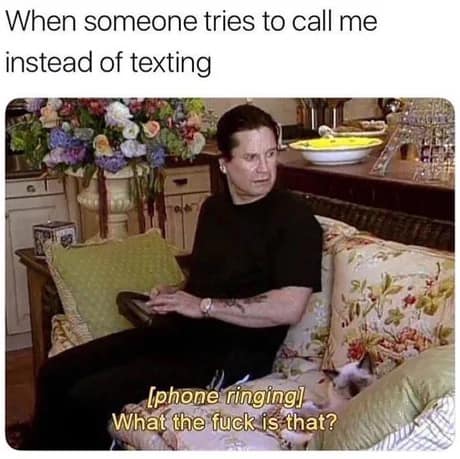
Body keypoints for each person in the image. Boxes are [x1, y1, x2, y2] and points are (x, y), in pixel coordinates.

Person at [28, 104, 323, 450]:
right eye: (251, 157)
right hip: (179, 335)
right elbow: (211, 281)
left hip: (227, 358)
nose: (264, 168)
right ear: (224, 163)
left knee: (88, 397)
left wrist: (204, 306)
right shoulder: (213, 210)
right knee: (55, 373)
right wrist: (175, 295)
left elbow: (290, 306)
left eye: (270, 154)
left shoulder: (294, 219)